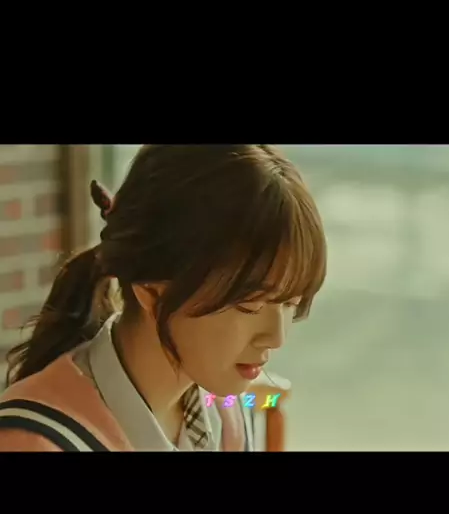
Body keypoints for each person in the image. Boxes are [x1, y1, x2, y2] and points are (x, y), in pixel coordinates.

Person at [0, 144, 327, 452]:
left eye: (290, 302)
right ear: (152, 292)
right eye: (249, 305)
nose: (276, 337)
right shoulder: (34, 441)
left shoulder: (224, 411)